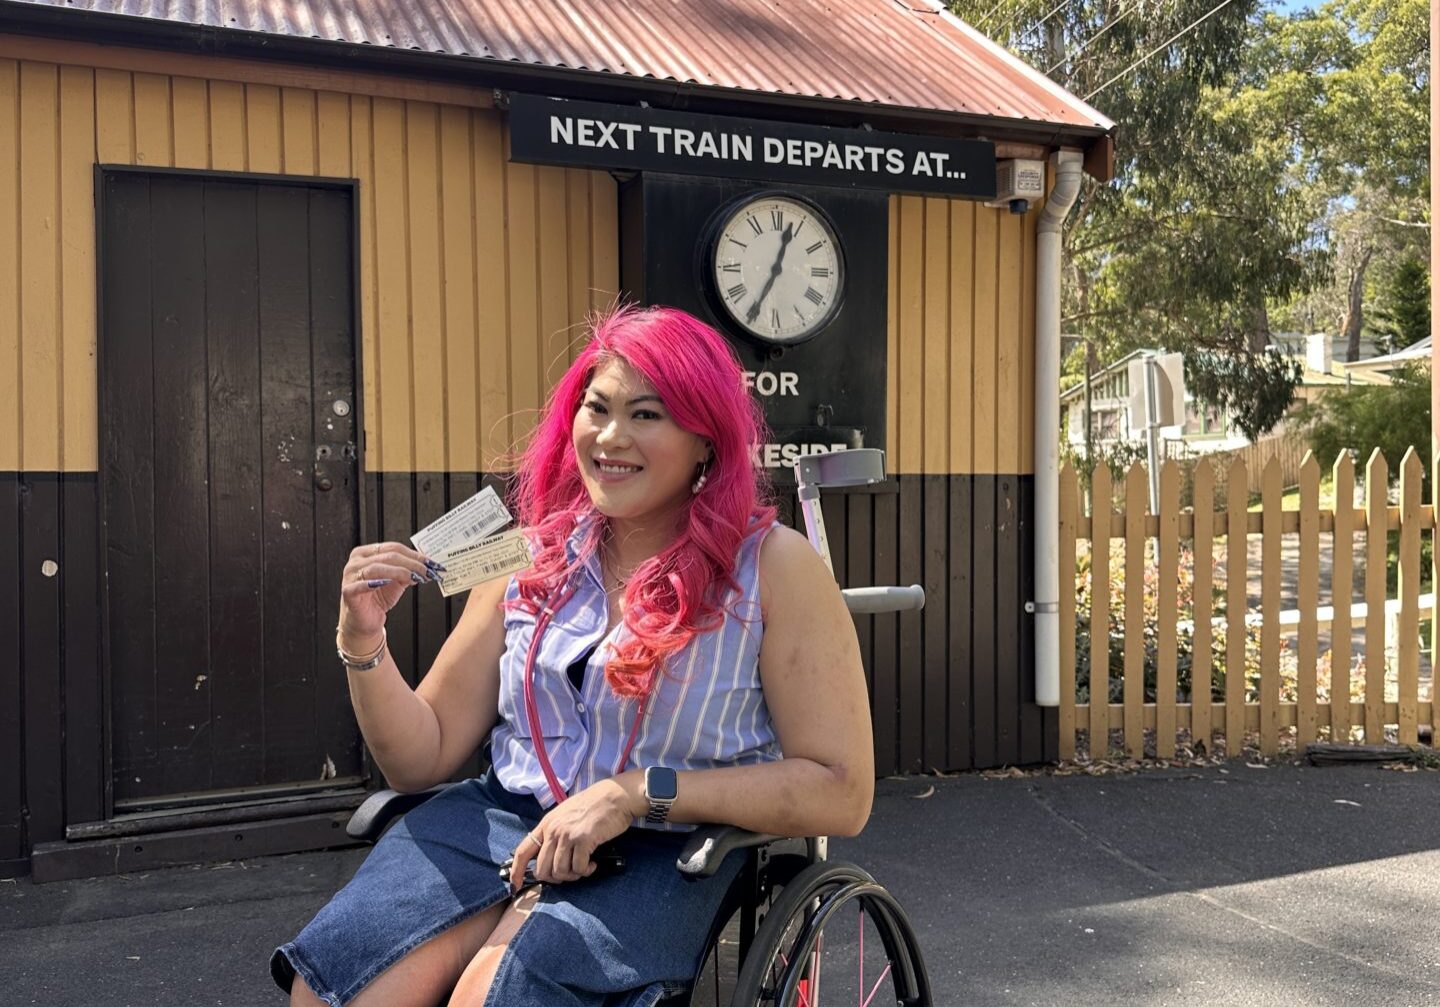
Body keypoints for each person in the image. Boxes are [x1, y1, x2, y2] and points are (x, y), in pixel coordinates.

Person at [271, 305, 873, 1007]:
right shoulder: (528, 554)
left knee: (492, 999)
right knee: (333, 990)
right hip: (503, 820)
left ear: (706, 440)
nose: (611, 437)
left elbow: (842, 788)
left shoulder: (773, 567)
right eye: (598, 407)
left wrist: (638, 790)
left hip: (665, 846)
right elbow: (421, 755)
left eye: (648, 414)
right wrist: (363, 639)